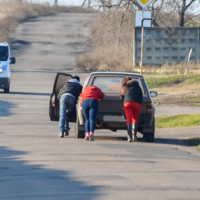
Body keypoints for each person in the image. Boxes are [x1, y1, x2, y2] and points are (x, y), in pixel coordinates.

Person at [120, 77, 143, 142]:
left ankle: (129, 137)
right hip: (137, 103)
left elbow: (121, 96)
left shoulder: (125, 86)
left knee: (129, 120)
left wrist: (124, 101)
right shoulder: (137, 86)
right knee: (135, 119)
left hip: (128, 103)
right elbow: (141, 96)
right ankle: (134, 136)